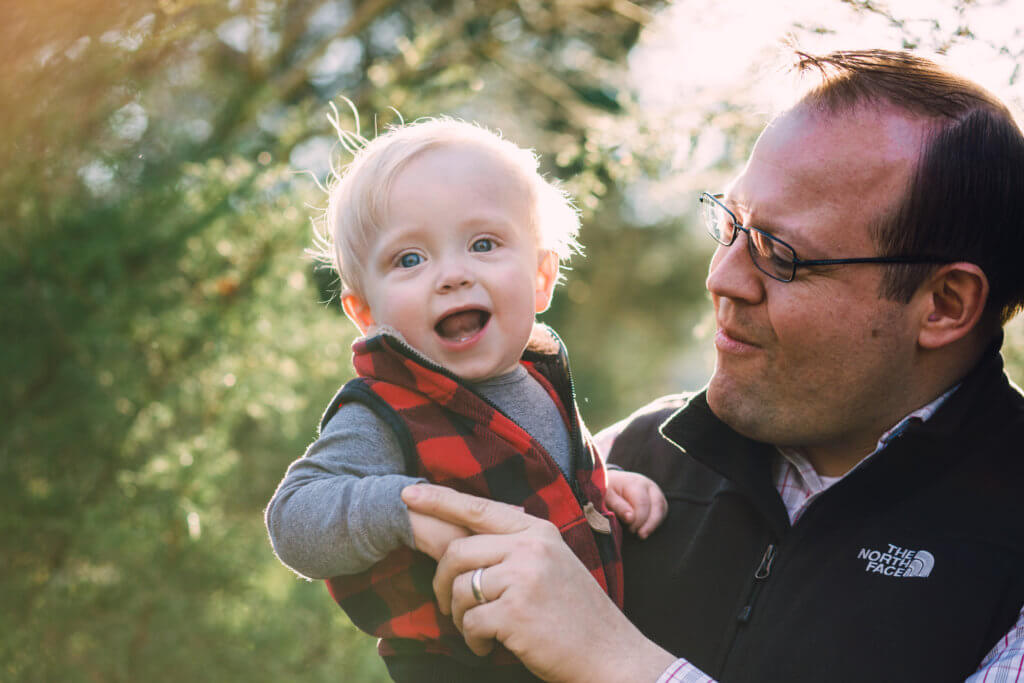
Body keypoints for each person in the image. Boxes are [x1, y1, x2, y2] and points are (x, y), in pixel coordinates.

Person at [399, 49, 1024, 683]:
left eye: (780, 255)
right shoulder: (630, 459)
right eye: (731, 224)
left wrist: (613, 659)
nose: (722, 278)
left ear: (944, 305)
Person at [264, 118, 667, 682]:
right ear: (366, 313)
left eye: (483, 244)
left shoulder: (538, 379)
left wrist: (600, 487)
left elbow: (541, 480)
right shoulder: (384, 412)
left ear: (540, 277)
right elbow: (293, 519)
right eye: (409, 259)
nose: (452, 275)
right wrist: (404, 510)